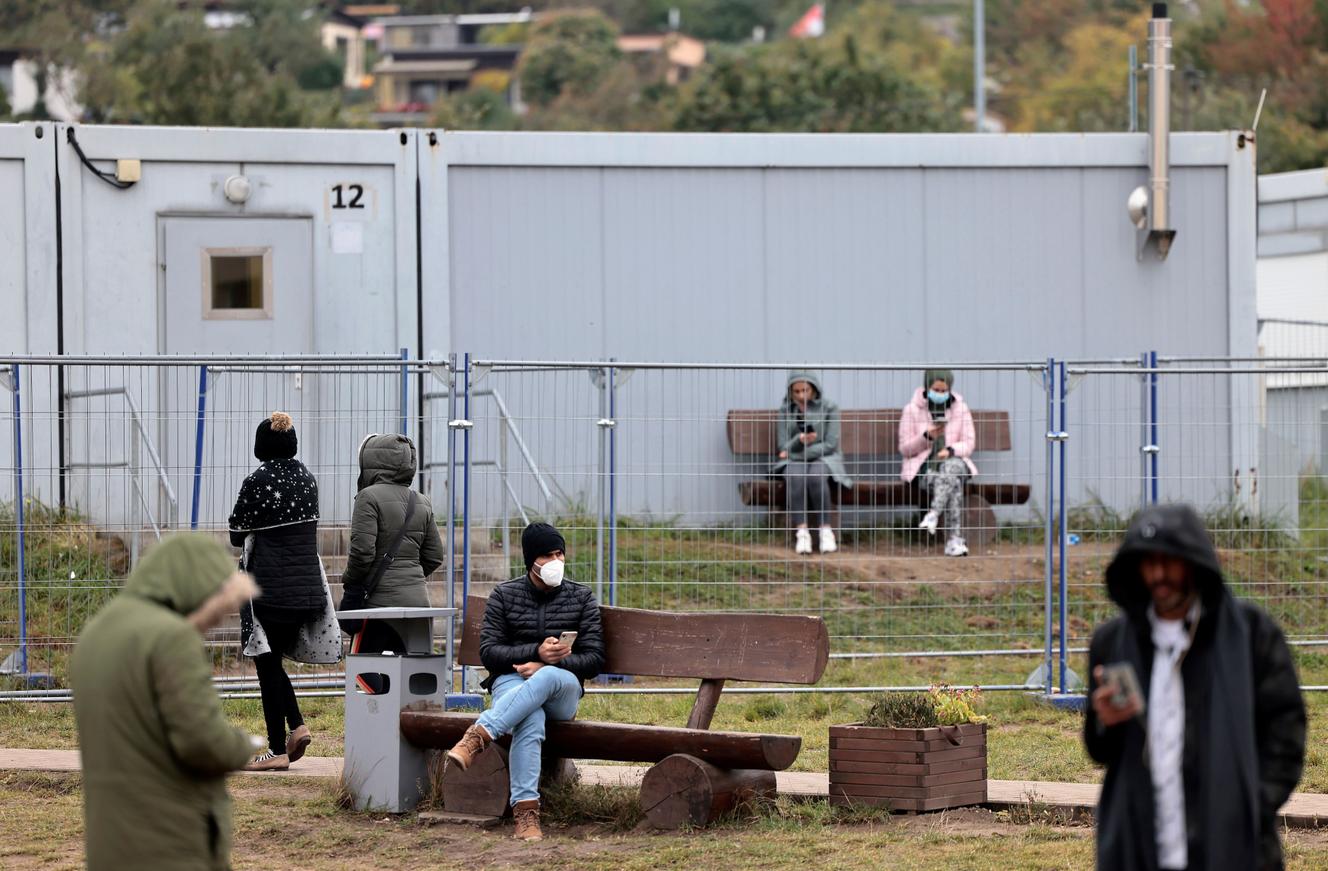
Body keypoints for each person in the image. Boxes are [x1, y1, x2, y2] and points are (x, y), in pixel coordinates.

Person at [1084, 503, 1306, 871]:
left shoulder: (1252, 636)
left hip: (1233, 847)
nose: (1158, 574)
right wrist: (1105, 721)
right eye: (1147, 563)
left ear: (1194, 562)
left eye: (1168, 561)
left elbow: (1286, 731)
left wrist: (1250, 804)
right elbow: (1099, 750)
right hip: (1139, 843)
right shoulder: (1112, 642)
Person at [71, 535, 262, 871]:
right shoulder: (171, 637)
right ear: (193, 590)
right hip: (169, 842)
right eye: (216, 610)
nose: (212, 624)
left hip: (112, 843)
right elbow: (202, 741)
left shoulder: (97, 632)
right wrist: (245, 744)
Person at [445, 522, 605, 842]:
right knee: (530, 717)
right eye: (547, 555)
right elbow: (490, 653)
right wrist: (535, 651)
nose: (556, 561)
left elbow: (595, 660)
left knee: (545, 677)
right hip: (512, 681)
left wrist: (549, 661)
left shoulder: (581, 596)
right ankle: (526, 817)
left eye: (560, 553)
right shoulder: (505, 595)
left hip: (563, 686)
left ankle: (479, 735)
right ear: (531, 560)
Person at [228, 411, 340, 771]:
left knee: (266, 665)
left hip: (270, 589)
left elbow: (235, 533)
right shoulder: (308, 479)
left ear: (261, 446)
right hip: (307, 588)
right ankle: (298, 726)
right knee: (273, 663)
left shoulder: (257, 481)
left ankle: (276, 750)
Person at [340, 433, 445, 692]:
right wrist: (411, 577)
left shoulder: (368, 498)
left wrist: (351, 582)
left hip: (377, 606)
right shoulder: (421, 500)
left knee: (361, 670)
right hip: (418, 605)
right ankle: (407, 721)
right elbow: (434, 556)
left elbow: (363, 553)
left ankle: (381, 716)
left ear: (371, 462)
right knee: (414, 675)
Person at [898, 369, 978, 557]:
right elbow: (905, 449)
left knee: (951, 467)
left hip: (954, 460)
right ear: (927, 387)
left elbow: (969, 442)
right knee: (953, 483)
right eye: (936, 390)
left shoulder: (961, 408)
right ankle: (954, 540)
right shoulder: (912, 410)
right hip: (925, 468)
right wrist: (926, 437)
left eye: (944, 391)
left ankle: (934, 513)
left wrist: (950, 450)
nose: (940, 394)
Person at [771, 371, 851, 555]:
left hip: (824, 458)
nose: (801, 396)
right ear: (790, 392)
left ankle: (826, 532)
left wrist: (795, 452)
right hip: (795, 460)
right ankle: (802, 533)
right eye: (796, 391)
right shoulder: (785, 410)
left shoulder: (829, 407)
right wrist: (799, 439)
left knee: (816, 476)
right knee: (796, 476)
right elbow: (782, 444)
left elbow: (830, 445)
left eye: (805, 390)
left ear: (814, 389)